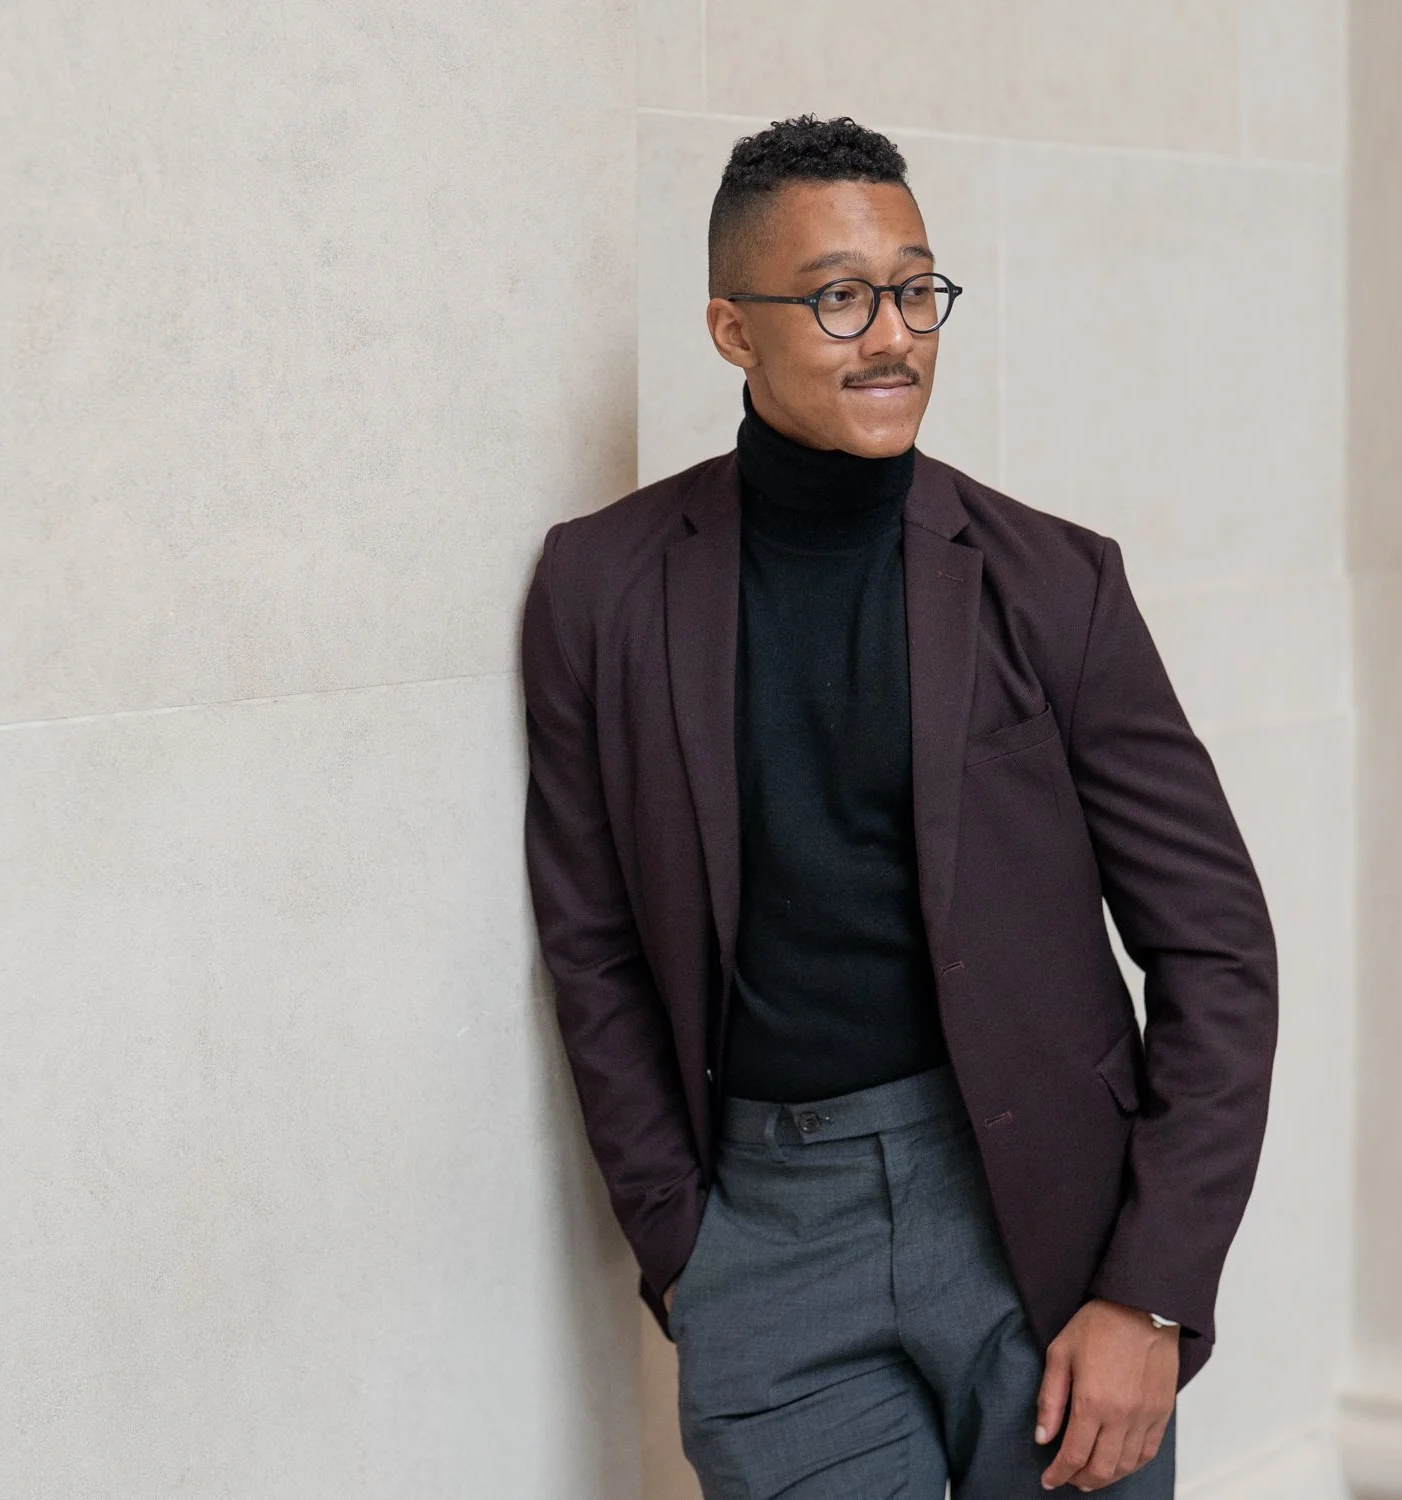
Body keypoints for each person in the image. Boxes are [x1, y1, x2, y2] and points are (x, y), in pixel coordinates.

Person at [520, 115, 1278, 1497]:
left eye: (917, 291)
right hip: (768, 1242)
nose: (893, 337)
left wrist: (1153, 1291)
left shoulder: (1056, 585)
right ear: (732, 330)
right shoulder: (601, 587)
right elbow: (593, 945)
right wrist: (685, 1250)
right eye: (838, 298)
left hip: (1047, 1236)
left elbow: (1217, 944)